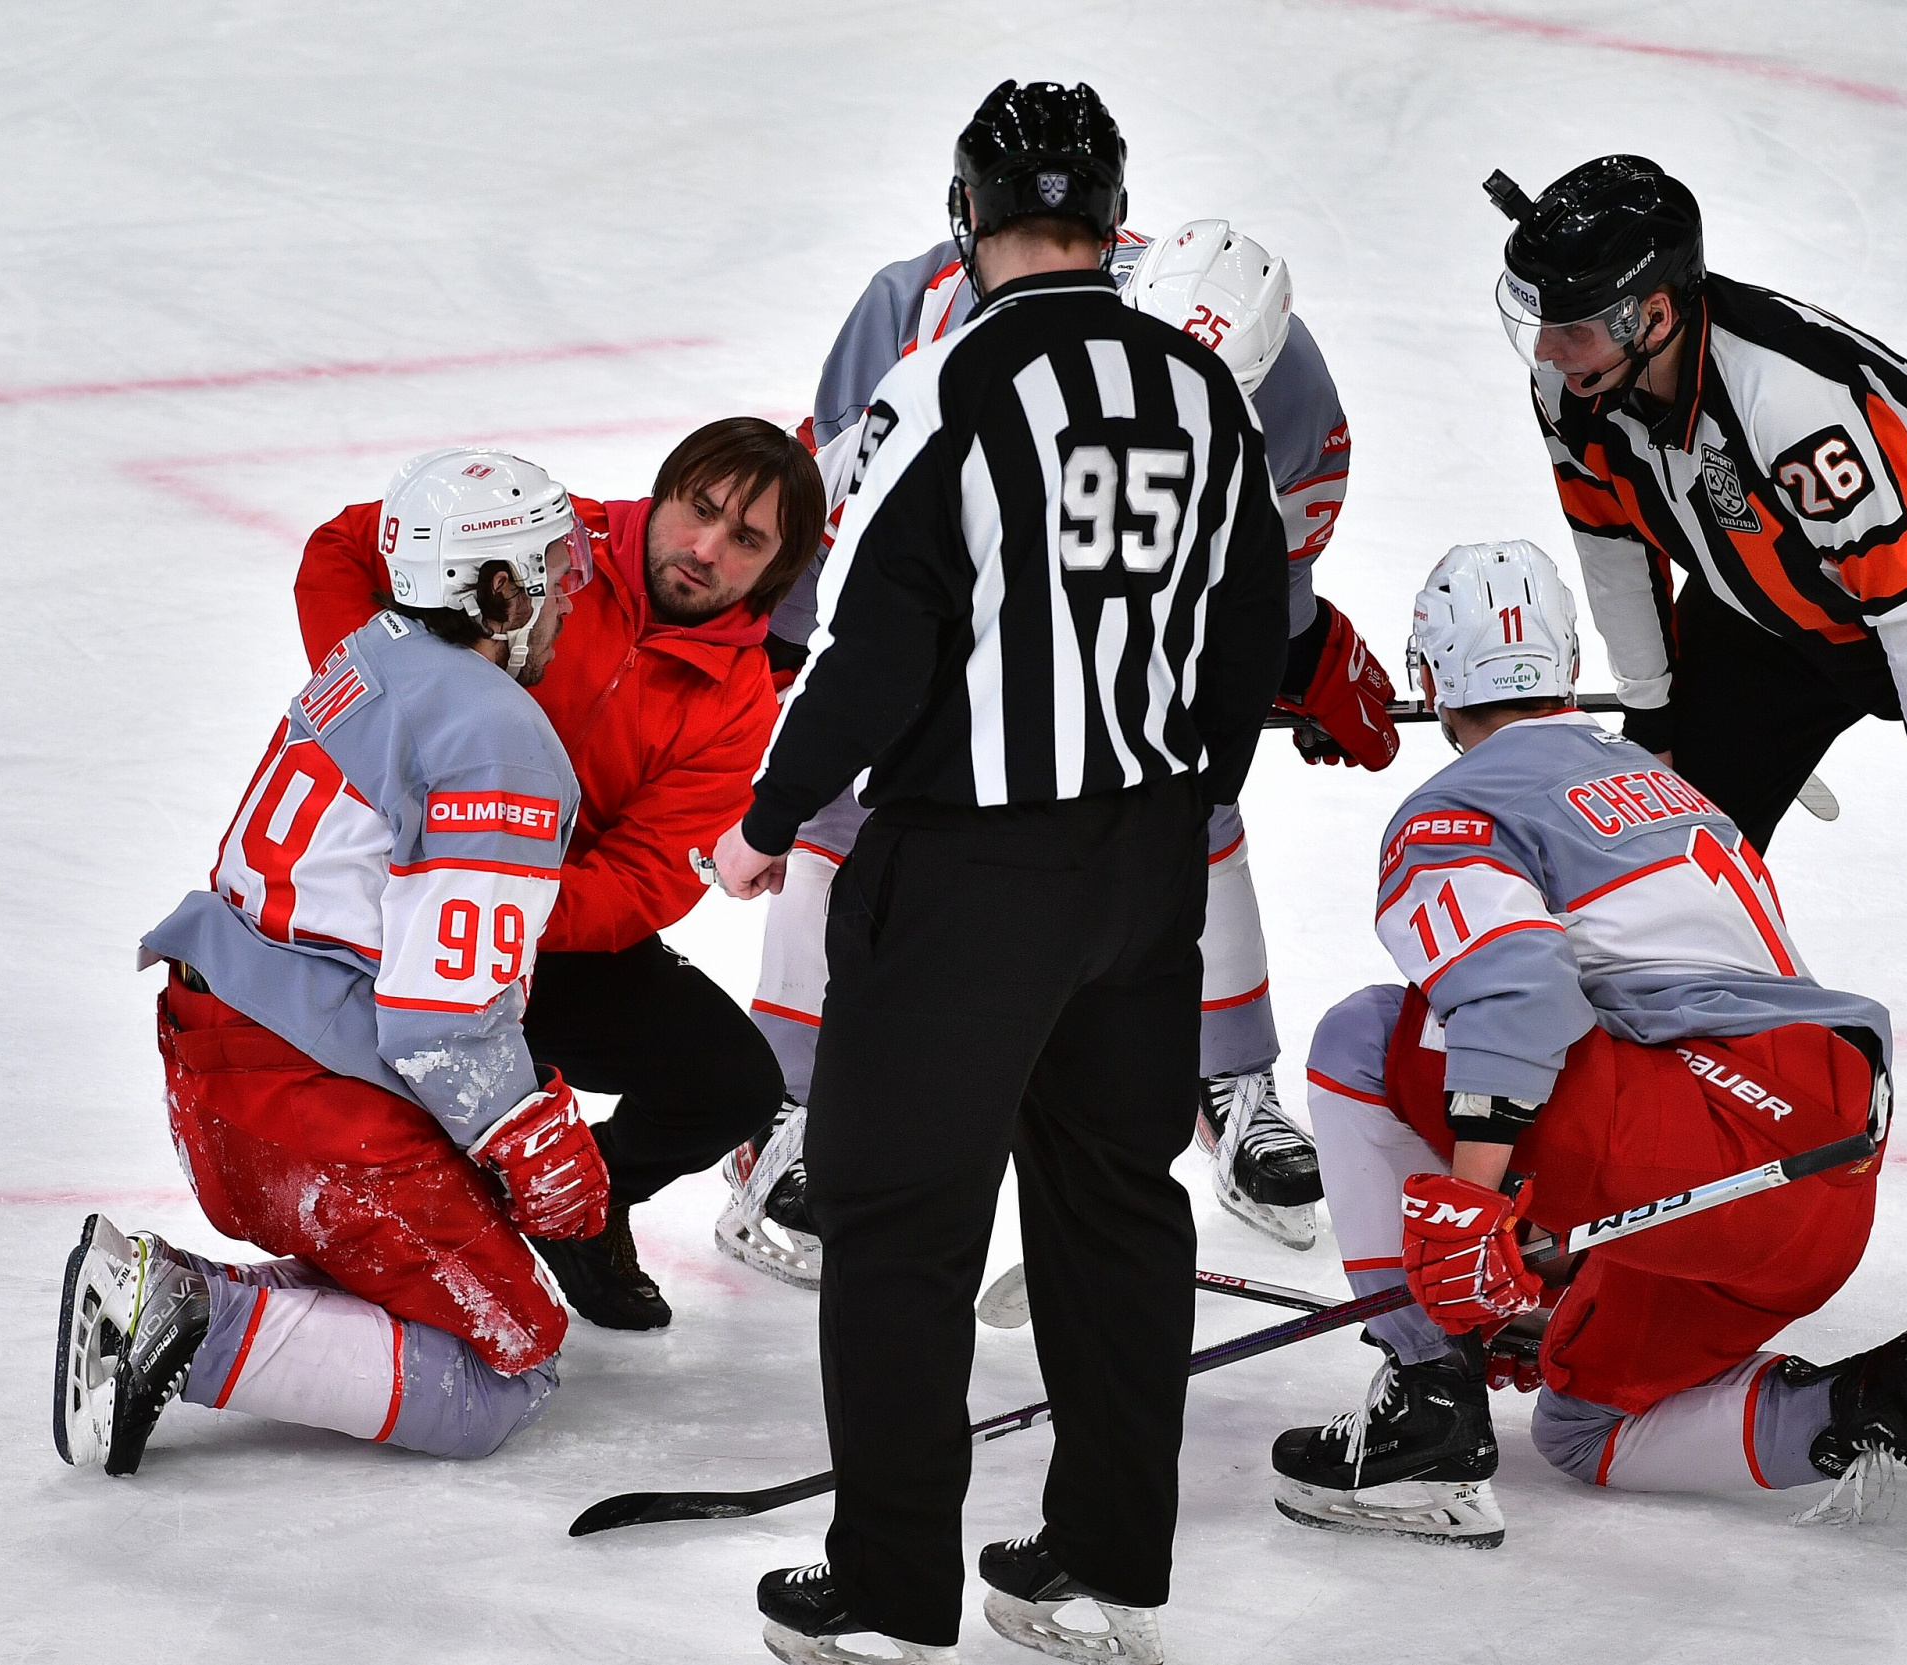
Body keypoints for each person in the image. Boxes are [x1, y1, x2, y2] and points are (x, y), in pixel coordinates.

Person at [711, 81, 1288, 1665]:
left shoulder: (947, 374)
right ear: (1115, 217)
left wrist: (773, 815)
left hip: (970, 869)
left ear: (968, 216)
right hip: (1146, 870)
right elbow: (1251, 642)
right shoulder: (1204, 388)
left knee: (903, 1225)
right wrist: (1171, 816)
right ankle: (1099, 1567)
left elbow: (878, 631)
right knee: (1114, 1215)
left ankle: (896, 1591)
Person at [1487, 154, 1907, 1383]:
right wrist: (1656, 726)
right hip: (1769, 608)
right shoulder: (1575, 386)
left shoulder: (1789, 396)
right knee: (1647, 859)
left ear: (1654, 312)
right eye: (1541, 321)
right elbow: (1613, 549)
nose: (1548, 351)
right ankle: (1634, 1184)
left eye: (1570, 325)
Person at [1276, 538, 1907, 1557]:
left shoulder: (1458, 805)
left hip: (1713, 1126)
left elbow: (1517, 990)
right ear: (1561, 664)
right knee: (1585, 1425)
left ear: (1429, 679)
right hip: (1824, 1176)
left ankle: (1425, 1399)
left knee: (1365, 1035)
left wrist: (1467, 1225)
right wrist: (1541, 1271)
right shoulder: (1663, 785)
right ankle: (1877, 1396)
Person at [721, 215, 1397, 1286]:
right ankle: (788, 1104)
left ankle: (1224, 1083)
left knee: (1182, 800)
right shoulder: (928, 314)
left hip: (1118, 601)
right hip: (958, 564)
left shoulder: (1293, 399)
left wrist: (1294, 645)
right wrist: (775, 665)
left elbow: (1248, 580)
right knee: (846, 800)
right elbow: (836, 524)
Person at [54, 450, 608, 1474]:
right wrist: (528, 1134)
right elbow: (442, 1020)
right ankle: (190, 1322)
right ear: (495, 590)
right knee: (507, 1365)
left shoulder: (376, 652)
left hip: (220, 1061)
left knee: (448, 1272)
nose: (566, 598)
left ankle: (170, 1298)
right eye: (549, 570)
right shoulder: (497, 735)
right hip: (303, 1103)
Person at [294, 417, 823, 1329]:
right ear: (662, 493)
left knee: (733, 1080)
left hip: (533, 927)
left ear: (776, 572)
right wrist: (386, 713)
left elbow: (645, 879)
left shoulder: (736, 704)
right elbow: (344, 546)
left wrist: (494, 897)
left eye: (747, 540)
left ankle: (581, 1202)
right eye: (699, 509)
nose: (705, 548)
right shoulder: (538, 536)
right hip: (375, 896)